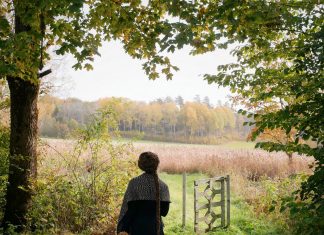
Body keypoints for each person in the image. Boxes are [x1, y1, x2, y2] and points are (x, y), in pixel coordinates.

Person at [117, 152, 171, 235]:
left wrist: (123, 229)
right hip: (156, 230)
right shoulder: (163, 186)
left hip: (137, 230)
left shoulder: (134, 183)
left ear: (140, 165)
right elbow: (164, 212)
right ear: (156, 165)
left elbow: (129, 210)